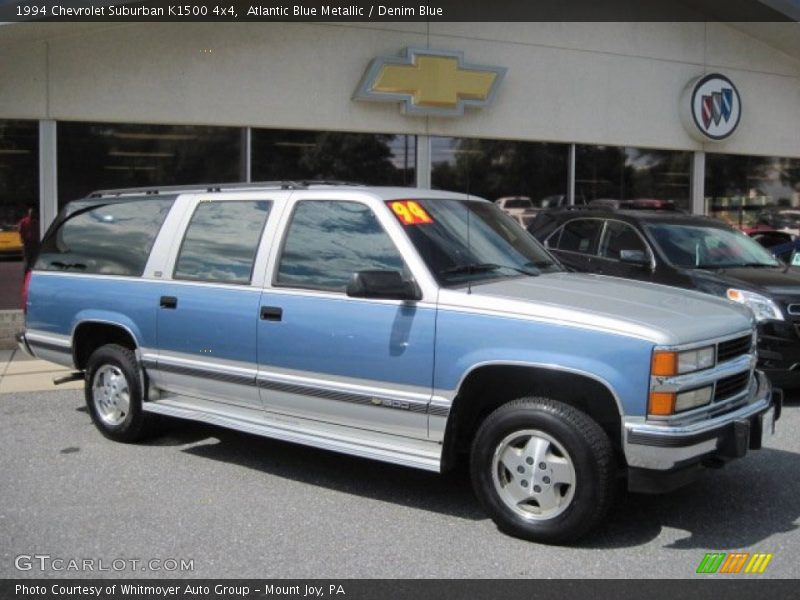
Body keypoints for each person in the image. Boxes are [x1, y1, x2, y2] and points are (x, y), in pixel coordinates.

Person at [17, 206, 39, 272]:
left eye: (32, 212)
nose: (32, 214)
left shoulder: (25, 221)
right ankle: (28, 272)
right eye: (31, 212)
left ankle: (29, 272)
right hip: (29, 242)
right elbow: (20, 230)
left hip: (32, 242)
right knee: (30, 258)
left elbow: (19, 230)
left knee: (30, 258)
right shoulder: (25, 221)